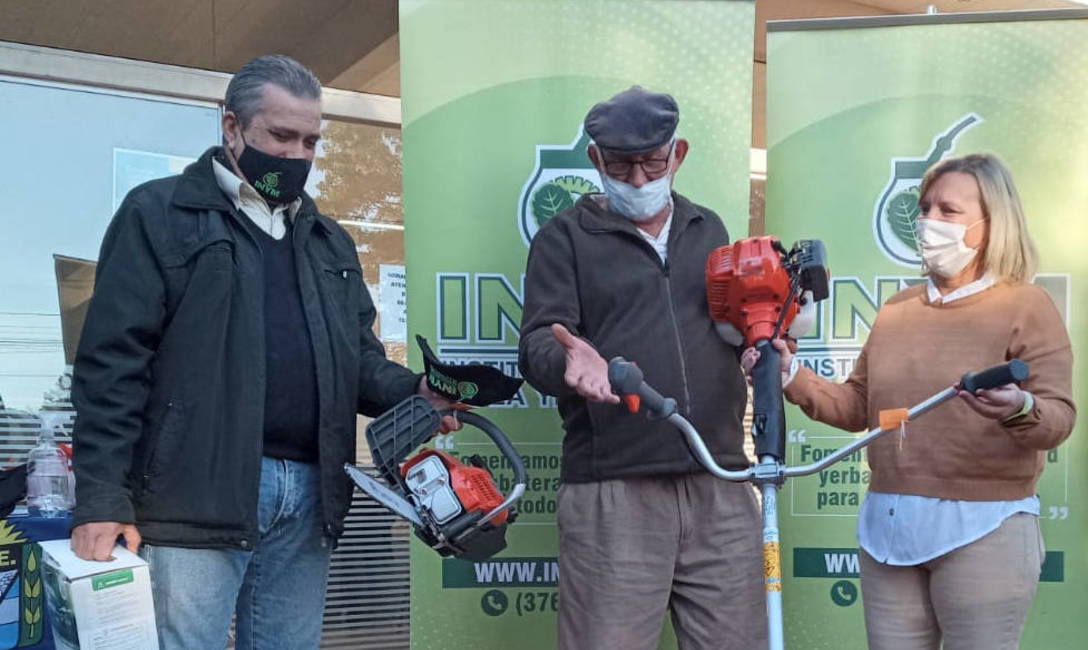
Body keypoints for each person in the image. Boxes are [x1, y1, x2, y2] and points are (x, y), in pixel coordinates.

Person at [69, 54, 457, 650]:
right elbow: (112, 366)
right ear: (232, 127)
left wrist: (417, 392)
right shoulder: (160, 215)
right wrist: (101, 497)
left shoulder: (328, 240)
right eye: (280, 136)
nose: (297, 155)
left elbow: (357, 363)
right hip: (195, 496)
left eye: (310, 141)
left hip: (309, 497)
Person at [744, 153, 1075, 650]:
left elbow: (1058, 417)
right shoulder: (897, 310)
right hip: (888, 531)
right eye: (924, 208)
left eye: (949, 210)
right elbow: (858, 406)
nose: (928, 222)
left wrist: (1020, 408)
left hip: (986, 530)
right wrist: (790, 374)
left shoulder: (1026, 305)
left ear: (992, 224)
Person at [518, 86, 766, 650]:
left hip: (720, 481)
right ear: (595, 160)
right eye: (620, 165)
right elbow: (536, 344)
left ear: (678, 154)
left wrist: (760, 349)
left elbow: (733, 330)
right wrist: (568, 360)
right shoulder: (564, 239)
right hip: (615, 494)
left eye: (652, 163)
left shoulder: (710, 230)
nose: (637, 179)